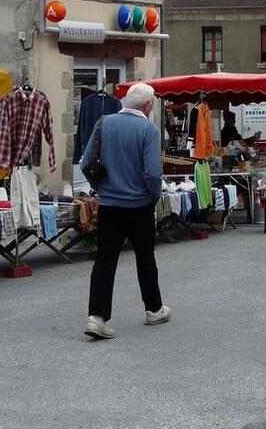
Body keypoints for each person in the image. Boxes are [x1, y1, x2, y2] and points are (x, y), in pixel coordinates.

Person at [81, 83, 170, 339]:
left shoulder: (103, 123)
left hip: (109, 205)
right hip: (139, 205)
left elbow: (87, 162)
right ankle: (153, 309)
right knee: (145, 258)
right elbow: (153, 173)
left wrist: (99, 188)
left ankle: (97, 317)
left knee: (105, 261)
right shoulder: (147, 129)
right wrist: (153, 196)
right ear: (148, 105)